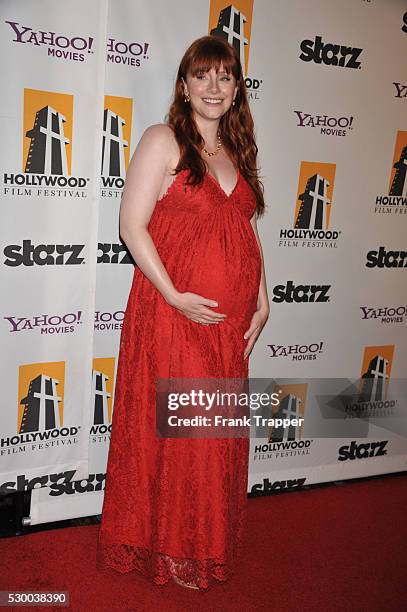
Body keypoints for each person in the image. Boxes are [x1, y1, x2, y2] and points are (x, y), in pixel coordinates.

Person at [97, 34, 269, 590]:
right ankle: (176, 552)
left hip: (228, 326)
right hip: (173, 314)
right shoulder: (163, 139)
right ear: (184, 85)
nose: (214, 87)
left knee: (212, 434)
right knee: (185, 438)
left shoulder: (237, 153)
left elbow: (244, 229)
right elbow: (132, 226)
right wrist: (173, 294)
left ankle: (203, 543)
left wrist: (263, 294)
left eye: (225, 77)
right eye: (203, 76)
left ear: (237, 88)